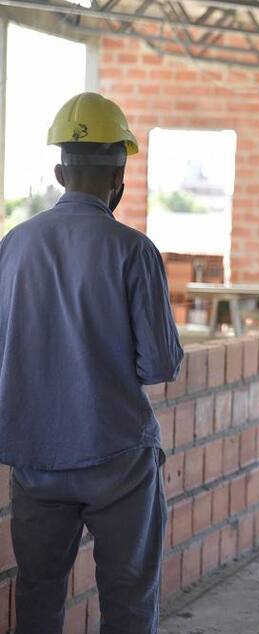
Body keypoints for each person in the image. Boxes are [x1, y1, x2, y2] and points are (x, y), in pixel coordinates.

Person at [0, 93, 183, 633]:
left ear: (60, 172)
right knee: (127, 601)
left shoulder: (12, 246)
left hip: (35, 458)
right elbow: (158, 365)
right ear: (119, 174)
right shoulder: (133, 250)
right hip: (117, 458)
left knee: (37, 595)